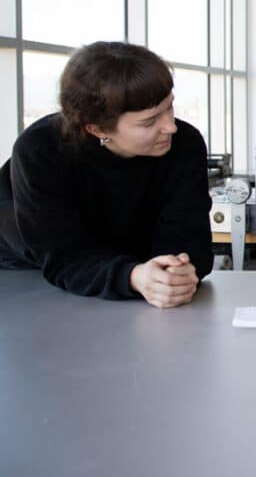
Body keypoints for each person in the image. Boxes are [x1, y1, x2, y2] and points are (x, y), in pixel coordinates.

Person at [0, 42, 213, 307]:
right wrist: (133, 276)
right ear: (98, 130)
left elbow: (191, 240)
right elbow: (63, 257)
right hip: (28, 272)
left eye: (169, 107)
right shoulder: (40, 150)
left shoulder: (185, 143)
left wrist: (176, 271)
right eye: (149, 121)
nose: (170, 126)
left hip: (133, 273)